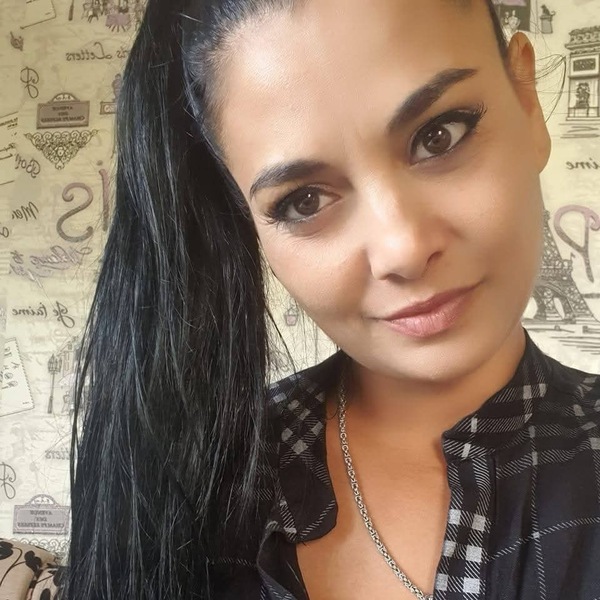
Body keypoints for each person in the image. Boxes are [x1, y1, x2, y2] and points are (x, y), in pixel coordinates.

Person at [56, 0, 600, 599]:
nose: (402, 249)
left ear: (527, 101)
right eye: (305, 201)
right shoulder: (183, 487)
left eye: (439, 136)